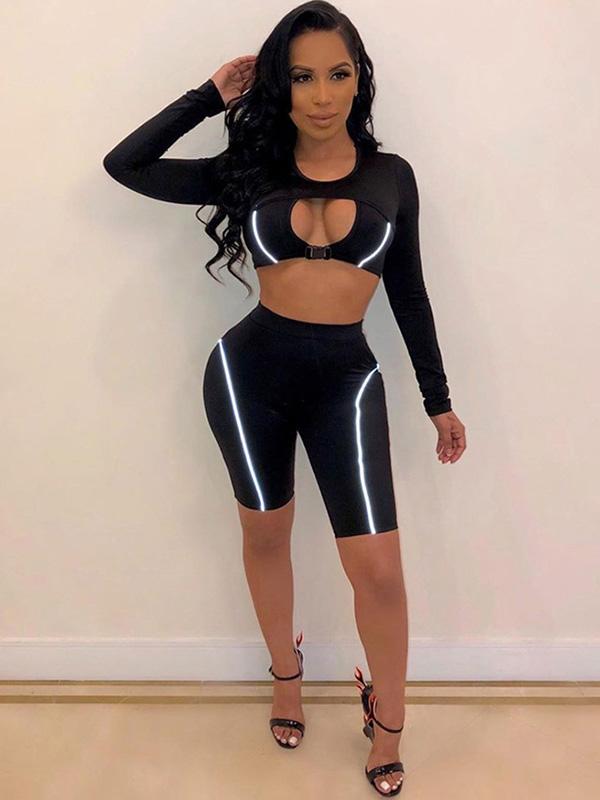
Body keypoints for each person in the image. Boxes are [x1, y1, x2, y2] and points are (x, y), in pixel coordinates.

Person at [102, 1, 467, 794]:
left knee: (379, 572)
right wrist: (207, 97)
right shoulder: (251, 170)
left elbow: (408, 291)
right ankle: (287, 678)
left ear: (359, 80)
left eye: (338, 74)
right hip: (248, 378)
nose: (322, 95)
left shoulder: (392, 176)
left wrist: (437, 398)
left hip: (347, 381)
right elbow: (125, 165)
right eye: (302, 77)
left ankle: (388, 722)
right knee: (266, 536)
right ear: (281, 85)